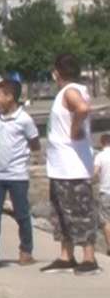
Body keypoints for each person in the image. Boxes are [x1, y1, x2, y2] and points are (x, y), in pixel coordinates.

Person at [41, 54, 99, 274]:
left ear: (57, 72)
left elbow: (82, 109)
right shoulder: (69, 91)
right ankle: (67, 255)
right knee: (61, 212)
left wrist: (75, 130)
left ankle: (89, 257)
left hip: (71, 166)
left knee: (80, 211)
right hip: (60, 167)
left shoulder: (70, 91)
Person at [0, 79, 40, 266]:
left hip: (17, 174)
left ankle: (26, 251)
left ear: (10, 97)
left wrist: (29, 157)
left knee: (22, 214)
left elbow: (35, 142)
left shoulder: (24, 119)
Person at [94, 134, 110, 253]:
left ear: (102, 142)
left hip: (105, 192)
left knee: (106, 221)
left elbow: (94, 173)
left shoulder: (100, 156)